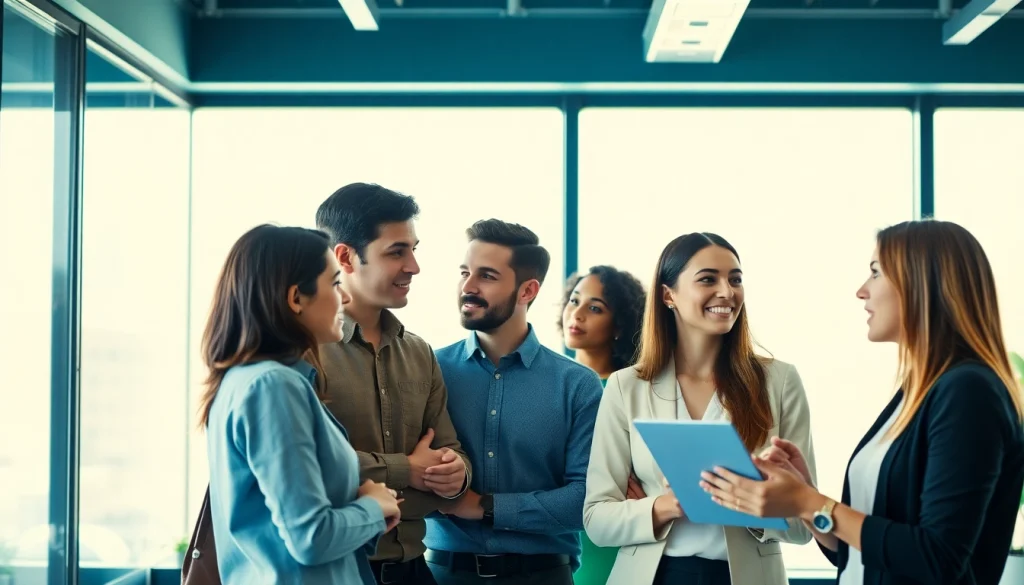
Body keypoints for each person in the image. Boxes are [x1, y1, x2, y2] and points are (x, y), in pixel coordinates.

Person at [702, 219, 1024, 585]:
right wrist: (805, 500)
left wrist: (810, 504)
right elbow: (860, 551)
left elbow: (938, 557)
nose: (861, 291)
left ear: (921, 283)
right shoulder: (918, 393)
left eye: (875, 273)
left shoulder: (969, 391)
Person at [584, 232, 816, 585]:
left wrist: (748, 501)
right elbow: (597, 520)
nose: (727, 291)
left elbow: (803, 526)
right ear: (668, 295)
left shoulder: (780, 381)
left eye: (735, 279)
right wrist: (665, 506)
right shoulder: (626, 386)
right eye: (708, 279)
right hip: (652, 576)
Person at [199, 224, 402, 585]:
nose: (347, 298)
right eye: (336, 283)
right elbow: (311, 538)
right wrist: (375, 504)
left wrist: (366, 509)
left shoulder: (247, 382)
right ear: (296, 298)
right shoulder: (273, 387)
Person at [425, 219, 604, 585]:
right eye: (464, 272)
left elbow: (586, 499)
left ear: (527, 290)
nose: (468, 287)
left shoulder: (577, 385)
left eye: (487, 276)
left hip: (543, 576)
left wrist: (482, 507)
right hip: (443, 575)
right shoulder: (428, 369)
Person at [315, 183, 471, 585]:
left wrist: (456, 475)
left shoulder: (419, 353)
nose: (414, 266)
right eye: (396, 252)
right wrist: (408, 469)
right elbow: (313, 473)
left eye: (414, 249)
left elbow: (448, 457)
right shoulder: (303, 354)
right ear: (346, 257)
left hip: (414, 570)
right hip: (337, 572)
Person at [558, 265, 646, 585]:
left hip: (611, 538)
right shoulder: (549, 384)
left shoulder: (631, 392)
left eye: (594, 308)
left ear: (620, 325)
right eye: (574, 301)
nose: (577, 314)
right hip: (554, 534)